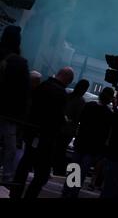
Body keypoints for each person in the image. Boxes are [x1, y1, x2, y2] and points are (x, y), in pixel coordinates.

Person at [10, 67, 74, 199]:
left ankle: (15, 192)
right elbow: (56, 117)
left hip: (32, 131)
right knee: (42, 173)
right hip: (46, 136)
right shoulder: (61, 94)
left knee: (25, 163)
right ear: (67, 79)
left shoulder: (43, 86)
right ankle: (30, 195)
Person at [61, 87, 115, 198]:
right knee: (83, 171)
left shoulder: (89, 106)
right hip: (93, 146)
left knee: (75, 167)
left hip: (81, 141)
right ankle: (73, 192)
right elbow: (106, 133)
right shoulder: (109, 114)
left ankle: (67, 189)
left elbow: (80, 120)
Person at [0, 25, 30, 184]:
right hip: (10, 112)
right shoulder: (20, 62)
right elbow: (24, 92)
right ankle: (7, 174)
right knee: (10, 145)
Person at [54, 79, 90, 175]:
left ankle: (57, 169)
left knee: (57, 149)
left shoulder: (69, 96)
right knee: (61, 150)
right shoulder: (81, 101)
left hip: (60, 126)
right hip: (69, 130)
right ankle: (60, 171)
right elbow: (79, 117)